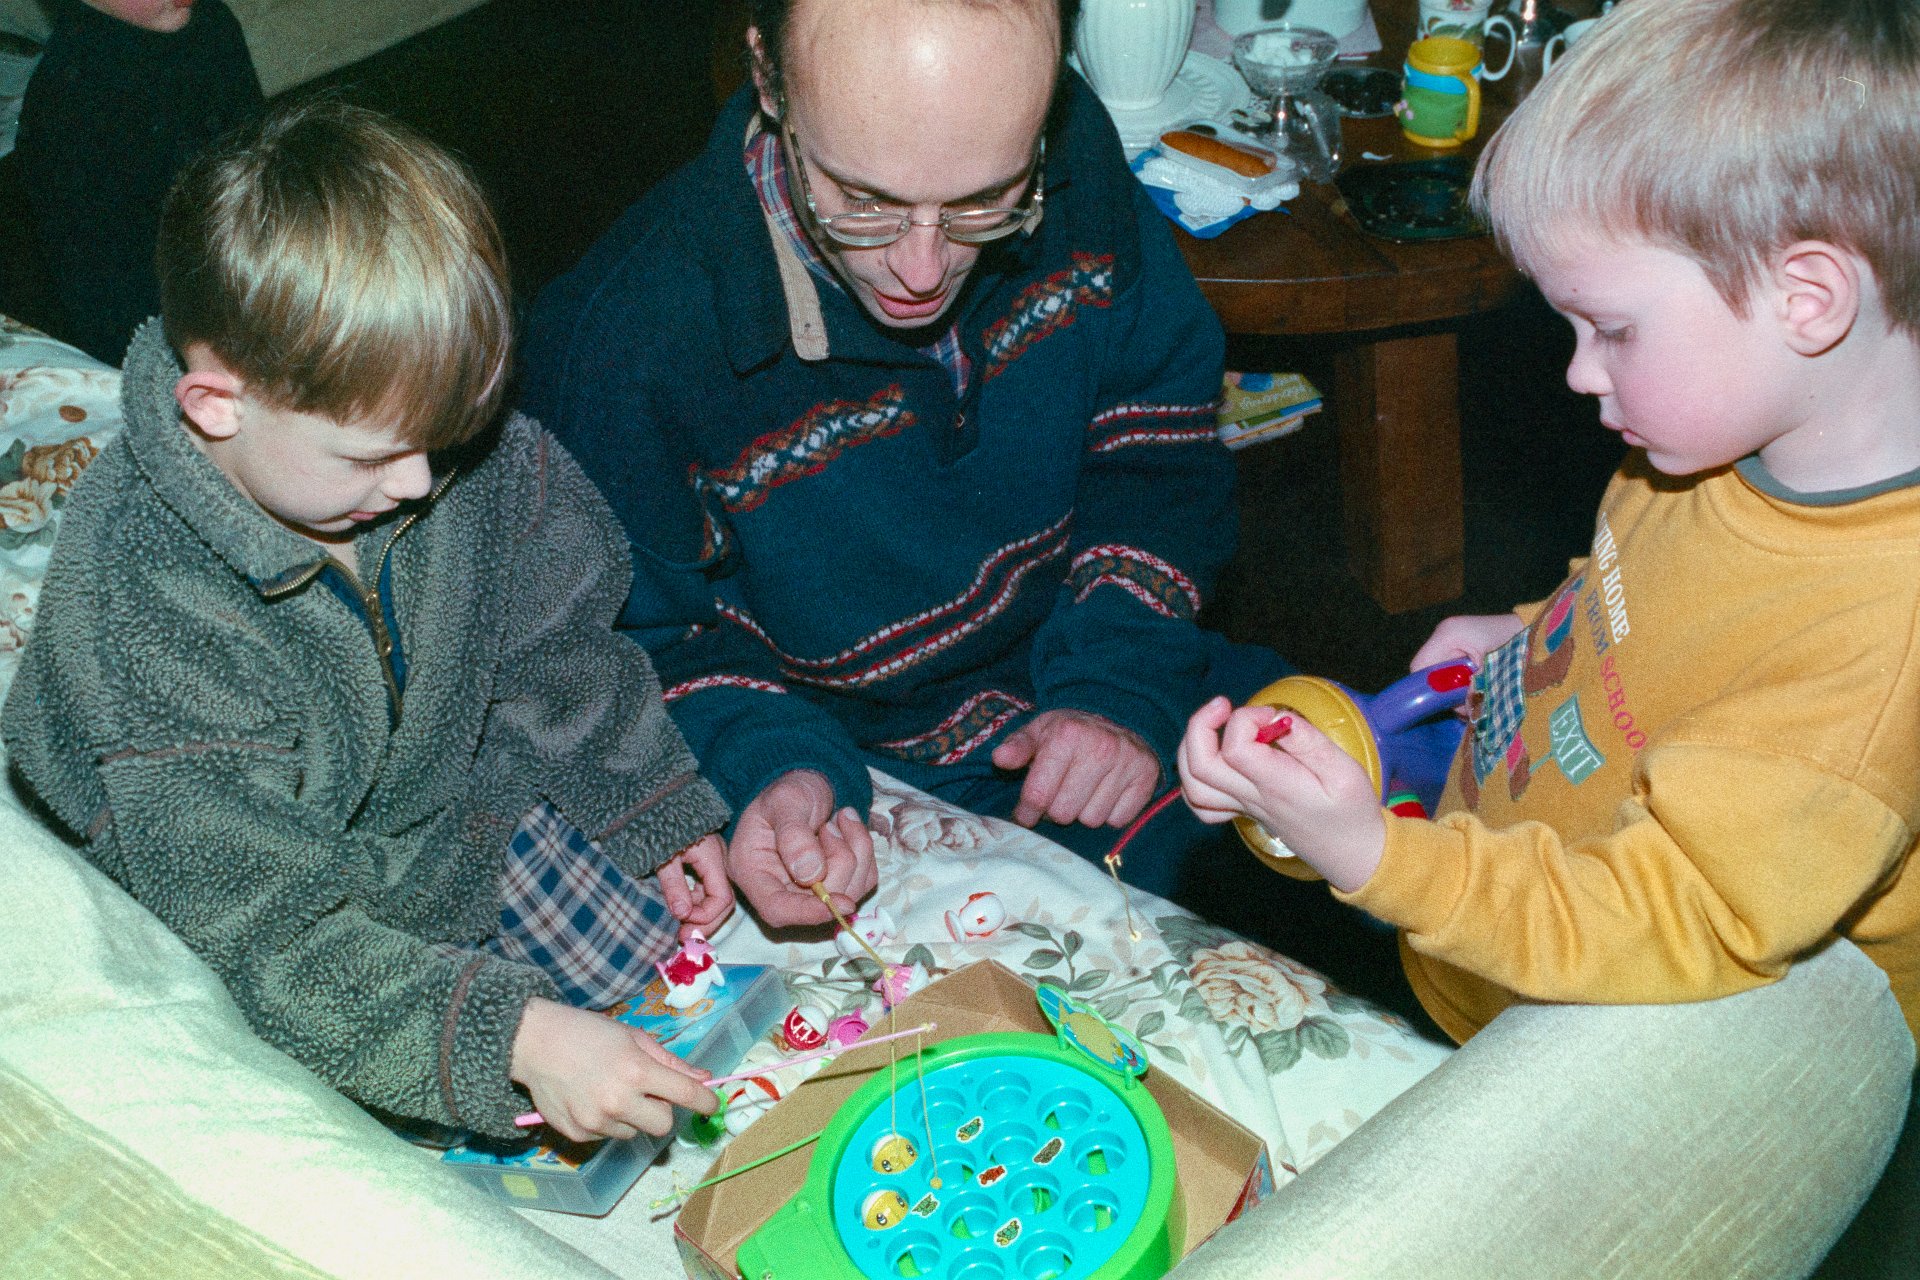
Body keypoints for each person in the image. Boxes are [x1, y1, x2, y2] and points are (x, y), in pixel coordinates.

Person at [1180, 0, 1918, 1267]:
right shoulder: (1716, 438)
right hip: (1498, 928)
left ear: (1808, 297)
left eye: (1611, 328)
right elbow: (1653, 602)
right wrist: (1534, 631)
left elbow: (1675, 921)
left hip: (1606, 1011)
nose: (1578, 372)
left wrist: (1375, 857)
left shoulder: (1873, 658)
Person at [0, 99, 738, 1147]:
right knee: (361, 1123)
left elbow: (556, 641)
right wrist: (509, 1033)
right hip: (236, 883)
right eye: (373, 456)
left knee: (649, 971)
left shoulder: (430, 444)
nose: (421, 482)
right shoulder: (142, 605)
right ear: (215, 405)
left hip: (434, 806)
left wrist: (649, 797)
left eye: (446, 434)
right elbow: (260, 930)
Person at [520, 0, 1288, 923]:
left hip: (1117, 662)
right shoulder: (617, 345)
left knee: (1396, 840)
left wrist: (1118, 683)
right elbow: (627, 650)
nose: (922, 271)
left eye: (984, 202)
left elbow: (1155, 451)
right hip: (856, 777)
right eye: (864, 201)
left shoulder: (1071, 152)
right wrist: (773, 765)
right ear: (768, 77)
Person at [12, 0, 264, 364]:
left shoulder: (213, 23)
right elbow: (108, 306)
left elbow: (262, 165)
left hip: (252, 267)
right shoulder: (66, 108)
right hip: (168, 325)